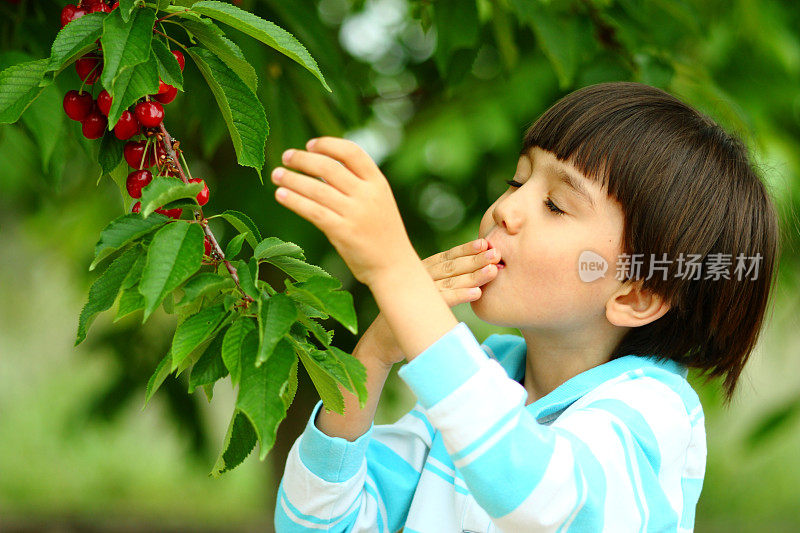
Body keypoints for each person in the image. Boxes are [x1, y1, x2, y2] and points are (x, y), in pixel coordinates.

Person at [270, 82, 781, 532]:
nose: (505, 210)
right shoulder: (479, 391)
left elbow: (535, 494)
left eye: (556, 206)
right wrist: (377, 351)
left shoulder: (651, 414)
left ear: (636, 295)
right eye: (518, 181)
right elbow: (317, 523)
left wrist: (396, 275)